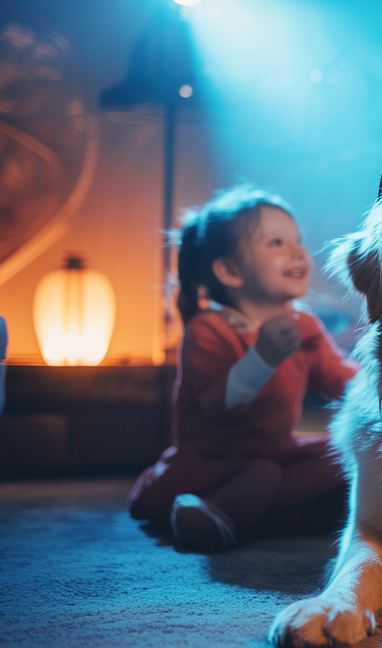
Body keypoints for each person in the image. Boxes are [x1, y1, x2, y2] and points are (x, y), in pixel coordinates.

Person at [127, 187, 359, 552]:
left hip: (277, 452)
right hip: (214, 461)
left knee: (348, 450)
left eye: (297, 241)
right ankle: (218, 513)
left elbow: (339, 379)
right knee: (262, 475)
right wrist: (263, 355)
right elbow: (223, 406)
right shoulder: (209, 328)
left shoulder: (305, 325)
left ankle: (262, 520)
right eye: (277, 243)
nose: (298, 252)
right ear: (231, 271)